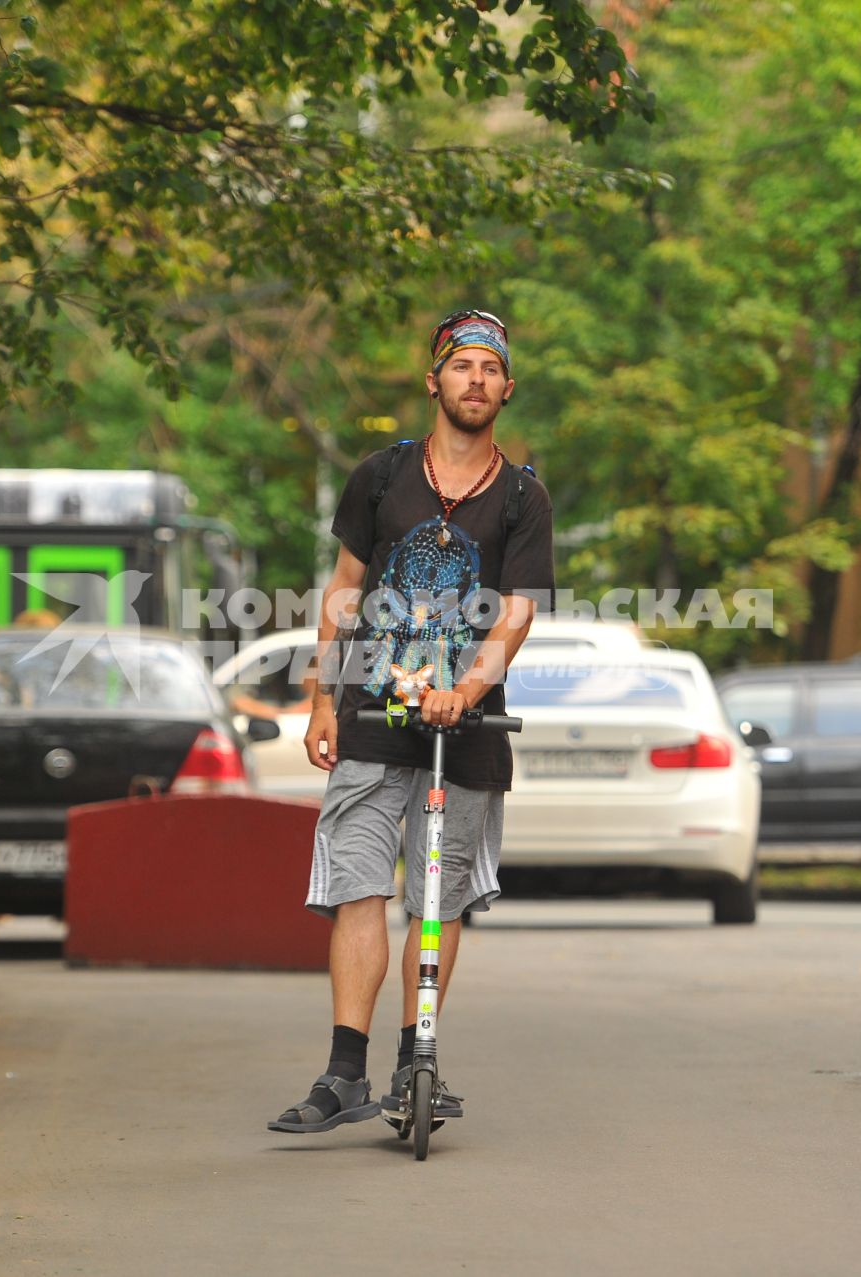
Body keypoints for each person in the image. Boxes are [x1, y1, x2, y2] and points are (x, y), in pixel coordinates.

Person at [270, 309, 553, 1134]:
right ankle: (343, 1072)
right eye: (461, 365)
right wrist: (322, 693)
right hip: (368, 715)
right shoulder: (381, 476)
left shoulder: (522, 497)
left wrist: (466, 690)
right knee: (359, 884)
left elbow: (519, 611)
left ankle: (414, 1058)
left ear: (505, 387)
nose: (475, 379)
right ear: (434, 380)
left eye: (490, 368)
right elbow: (344, 587)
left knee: (440, 896)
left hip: (466, 732)